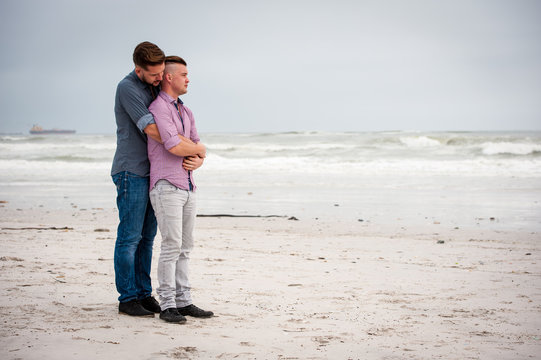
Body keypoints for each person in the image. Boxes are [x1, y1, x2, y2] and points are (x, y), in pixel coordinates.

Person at [148, 55, 214, 323]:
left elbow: (196, 144)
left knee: (186, 246)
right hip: (166, 185)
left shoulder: (186, 111)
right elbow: (173, 146)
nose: (188, 79)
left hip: (188, 185)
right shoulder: (158, 108)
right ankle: (167, 305)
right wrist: (199, 149)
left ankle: (184, 301)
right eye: (184, 74)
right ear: (169, 77)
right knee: (172, 245)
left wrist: (198, 156)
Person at [111, 41, 165, 317]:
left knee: (147, 238)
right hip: (131, 170)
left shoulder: (154, 85)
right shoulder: (128, 87)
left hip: (153, 171)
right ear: (138, 69)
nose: (160, 78)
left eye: (161, 72)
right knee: (130, 237)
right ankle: (128, 297)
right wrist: (180, 145)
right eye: (154, 74)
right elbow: (153, 129)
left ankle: (144, 293)